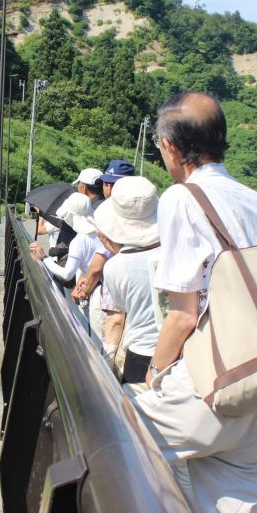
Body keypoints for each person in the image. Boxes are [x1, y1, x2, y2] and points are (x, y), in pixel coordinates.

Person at [133, 92, 257, 513]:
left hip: (211, 387)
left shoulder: (183, 199)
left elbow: (182, 316)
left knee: (115, 438)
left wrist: (156, 372)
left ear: (169, 147)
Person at [91, 176, 161, 384]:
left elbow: (119, 312)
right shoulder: (177, 251)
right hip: (182, 352)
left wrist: (119, 254)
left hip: (141, 353)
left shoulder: (115, 266)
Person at [73, 160, 137, 352]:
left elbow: (98, 263)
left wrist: (84, 289)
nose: (108, 189)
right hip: (131, 291)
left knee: (100, 348)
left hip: (106, 290)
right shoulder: (143, 213)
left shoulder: (109, 214)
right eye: (106, 183)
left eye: (112, 184)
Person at [30, 193, 99, 287]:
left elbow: (67, 275)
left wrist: (43, 257)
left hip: (88, 289)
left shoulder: (79, 241)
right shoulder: (99, 233)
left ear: (70, 216)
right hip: (98, 284)